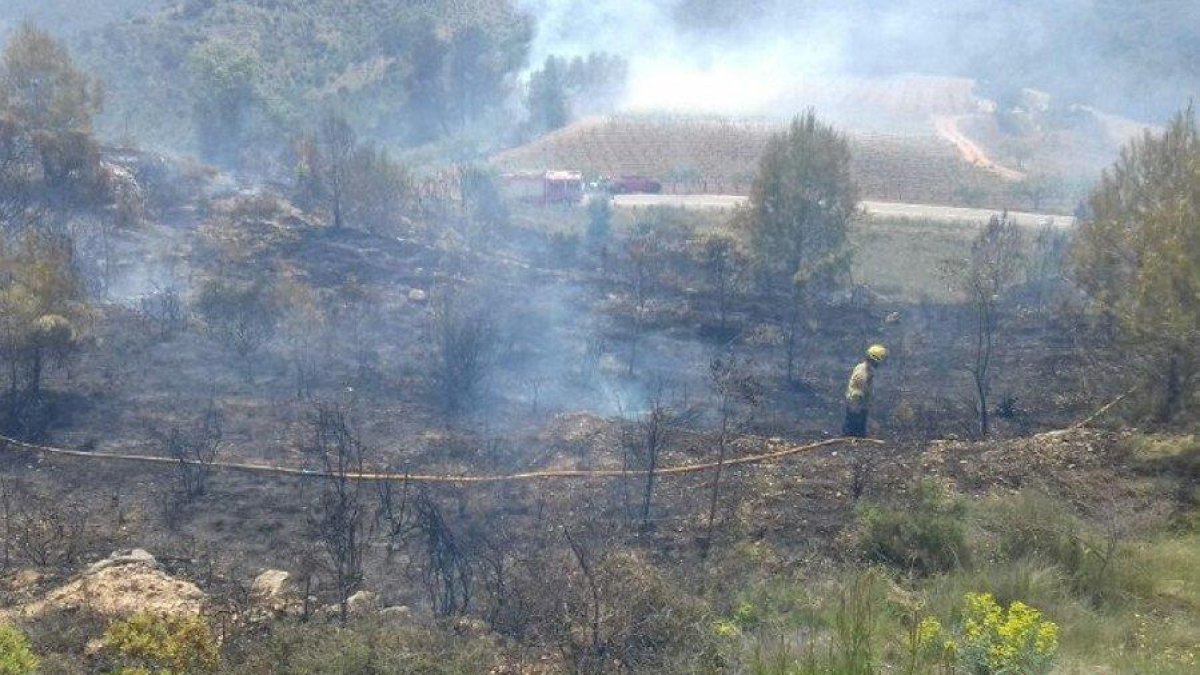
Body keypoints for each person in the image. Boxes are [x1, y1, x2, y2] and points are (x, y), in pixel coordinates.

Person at [843, 344, 887, 437]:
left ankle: (852, 437)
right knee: (855, 426)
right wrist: (858, 408)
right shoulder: (863, 374)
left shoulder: (863, 368)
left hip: (857, 403)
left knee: (854, 423)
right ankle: (852, 438)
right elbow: (857, 393)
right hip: (857, 404)